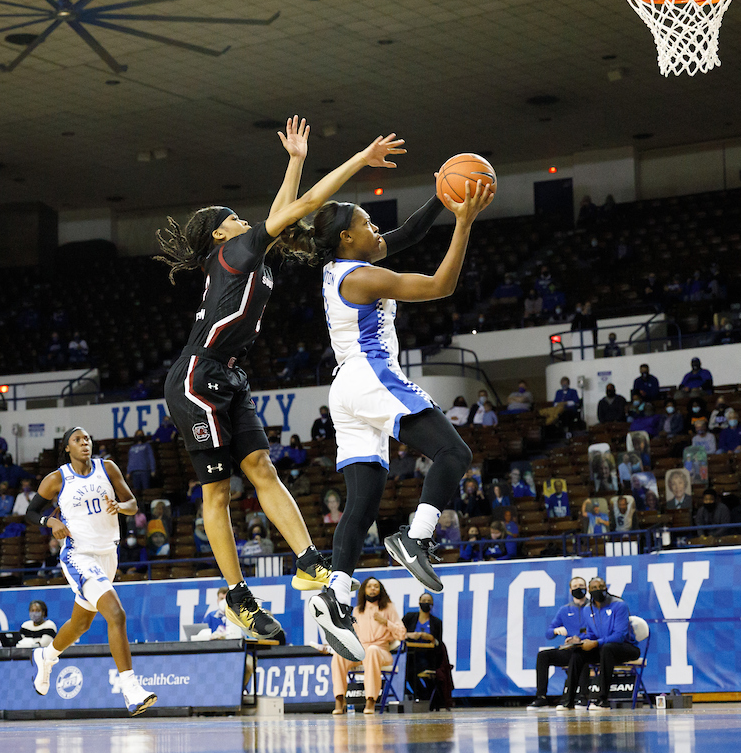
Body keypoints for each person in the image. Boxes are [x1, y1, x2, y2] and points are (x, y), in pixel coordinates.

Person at [158, 119, 397, 639]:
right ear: (221, 233)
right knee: (218, 492)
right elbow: (303, 206)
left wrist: (294, 159)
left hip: (226, 375)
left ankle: (310, 560)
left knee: (261, 466)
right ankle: (239, 598)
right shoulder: (233, 253)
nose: (248, 221)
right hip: (196, 380)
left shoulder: (251, 252)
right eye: (235, 218)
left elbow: (287, 207)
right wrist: (359, 159)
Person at [305, 176, 493, 661]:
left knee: (362, 504)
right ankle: (417, 537)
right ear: (347, 237)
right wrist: (464, 222)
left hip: (345, 387)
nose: (376, 229)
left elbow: (406, 234)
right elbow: (440, 285)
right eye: (366, 224)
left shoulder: (342, 264)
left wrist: (440, 195)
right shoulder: (361, 277)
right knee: (454, 452)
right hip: (370, 374)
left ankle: (336, 595)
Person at [26, 426, 157, 715]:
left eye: (87, 438)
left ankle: (46, 656)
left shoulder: (107, 468)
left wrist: (120, 507)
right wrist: (51, 522)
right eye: (77, 439)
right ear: (67, 448)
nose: (85, 442)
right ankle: (131, 688)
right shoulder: (57, 478)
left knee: (81, 624)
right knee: (116, 614)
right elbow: (31, 512)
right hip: (78, 554)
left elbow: (133, 504)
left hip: (108, 554)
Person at [557, 577, 640, 711]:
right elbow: (591, 634)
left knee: (607, 649)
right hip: (603, 648)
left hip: (626, 648)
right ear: (589, 591)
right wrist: (579, 640)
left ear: (606, 588)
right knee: (578, 653)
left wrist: (595, 643)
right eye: (594, 588)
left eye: (601, 587)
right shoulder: (587, 609)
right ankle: (569, 700)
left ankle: (603, 700)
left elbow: (619, 636)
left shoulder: (619, 605)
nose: (598, 590)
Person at [330, 578, 407, 715]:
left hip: (381, 650)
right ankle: (339, 699)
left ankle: (371, 700)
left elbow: (401, 634)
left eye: (376, 586)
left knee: (372, 651)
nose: (372, 589)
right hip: (361, 650)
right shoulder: (358, 610)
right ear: (364, 590)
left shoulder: (389, 607)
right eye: (369, 586)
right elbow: (353, 634)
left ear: (380, 590)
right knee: (339, 655)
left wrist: (386, 622)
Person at [527, 577, 589, 710]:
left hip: (587, 648)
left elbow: (597, 630)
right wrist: (555, 630)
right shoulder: (564, 610)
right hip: (570, 649)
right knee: (543, 656)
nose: (578, 588)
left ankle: (583, 697)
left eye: (581, 585)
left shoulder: (593, 608)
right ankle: (541, 698)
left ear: (587, 588)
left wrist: (578, 638)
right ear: (570, 590)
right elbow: (548, 634)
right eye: (575, 586)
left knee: (580, 655)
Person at [402, 592, 446, 703]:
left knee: (423, 672)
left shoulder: (436, 622)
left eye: (429, 602)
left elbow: (439, 643)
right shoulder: (409, 617)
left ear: (432, 605)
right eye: (424, 601)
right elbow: (398, 633)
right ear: (419, 603)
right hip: (410, 655)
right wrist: (410, 635)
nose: (426, 603)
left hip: (428, 656)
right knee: (407, 672)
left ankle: (427, 699)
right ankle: (422, 697)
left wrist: (431, 638)